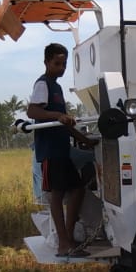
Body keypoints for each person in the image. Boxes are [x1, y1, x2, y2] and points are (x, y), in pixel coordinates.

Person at [26, 42, 94, 256]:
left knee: (77, 189)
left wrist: (85, 140)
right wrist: (57, 115)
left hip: (62, 149)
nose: (61, 68)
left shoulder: (56, 87)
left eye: (64, 64)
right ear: (46, 62)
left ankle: (69, 237)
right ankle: (64, 243)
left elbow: (64, 123)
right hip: (50, 151)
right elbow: (32, 111)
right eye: (57, 63)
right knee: (57, 195)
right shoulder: (43, 84)